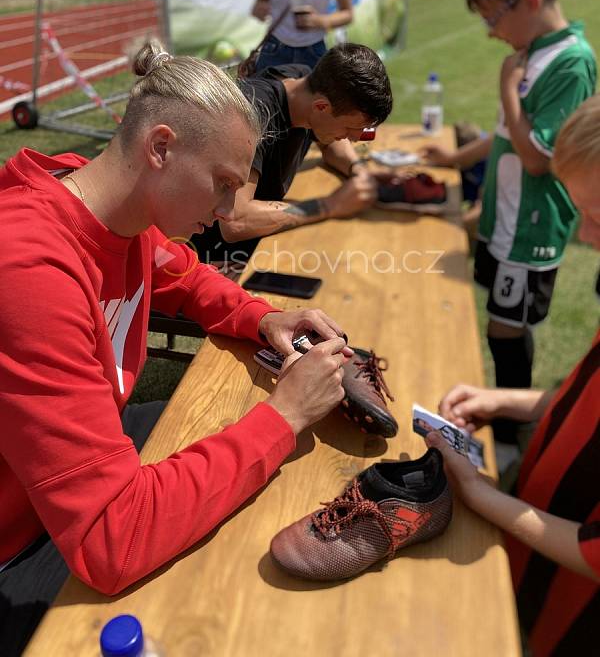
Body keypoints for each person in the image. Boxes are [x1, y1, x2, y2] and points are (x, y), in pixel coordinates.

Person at [0, 41, 355, 656]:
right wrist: (284, 416)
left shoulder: (113, 207)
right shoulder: (31, 269)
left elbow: (185, 277)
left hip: (67, 487)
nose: (225, 213)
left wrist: (263, 316)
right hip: (20, 542)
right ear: (160, 147)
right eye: (221, 186)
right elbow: (112, 538)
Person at [426, 93, 600, 656]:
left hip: (570, 613)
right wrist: (505, 401)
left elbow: (593, 553)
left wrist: (479, 494)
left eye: (597, 217)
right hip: (531, 549)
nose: (587, 239)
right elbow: (586, 398)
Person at [427, 0, 596, 444]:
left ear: (527, 0)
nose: (491, 30)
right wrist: (454, 160)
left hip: (532, 225)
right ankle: (504, 418)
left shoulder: (571, 61)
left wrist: (507, 87)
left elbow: (537, 156)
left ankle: (508, 437)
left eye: (493, 16)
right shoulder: (532, 53)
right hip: (505, 218)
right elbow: (506, 132)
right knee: (500, 320)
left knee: (507, 327)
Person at [191, 42, 394, 268]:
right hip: (213, 260)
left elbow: (330, 146)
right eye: (348, 128)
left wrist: (358, 172)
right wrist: (331, 205)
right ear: (321, 107)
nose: (354, 139)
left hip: (260, 244)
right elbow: (235, 220)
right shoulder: (253, 117)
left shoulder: (304, 82)